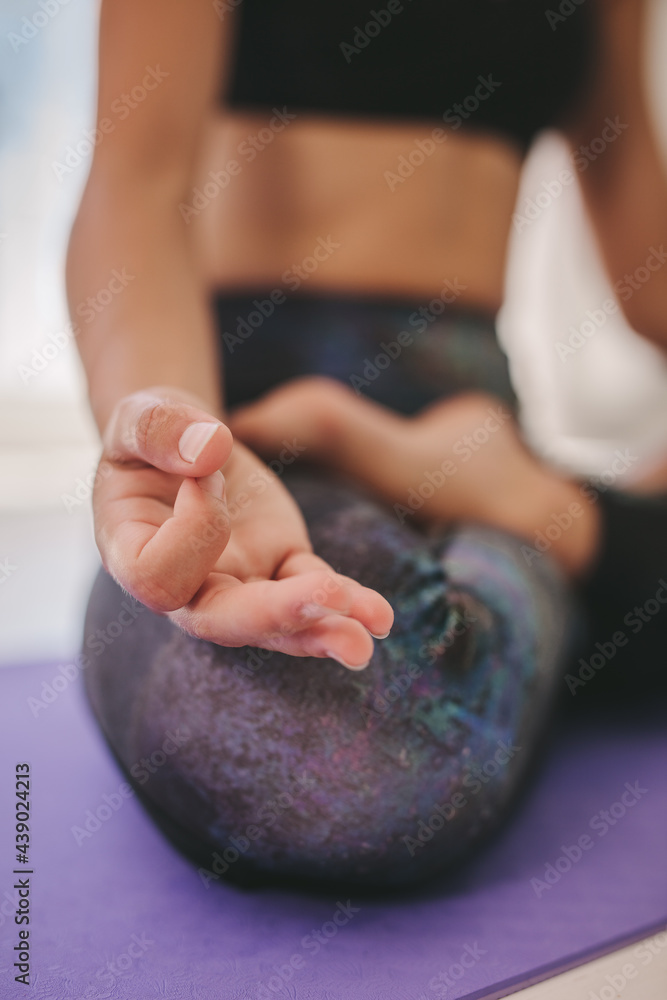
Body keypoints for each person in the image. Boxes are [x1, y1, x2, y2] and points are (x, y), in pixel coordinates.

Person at [67, 0, 667, 886]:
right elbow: (136, 181)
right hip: (247, 436)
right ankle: (574, 540)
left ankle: (545, 514)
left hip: (469, 434)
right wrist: (174, 434)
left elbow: (637, 223)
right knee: (344, 757)